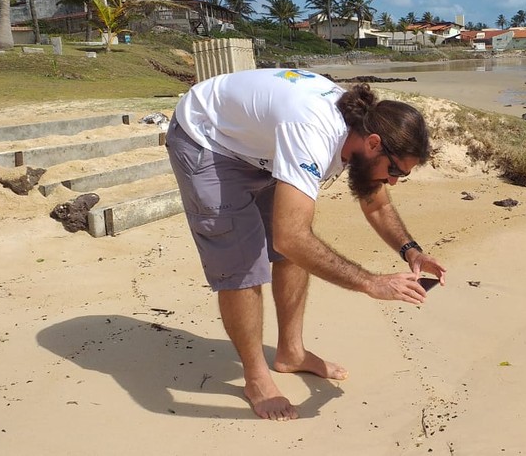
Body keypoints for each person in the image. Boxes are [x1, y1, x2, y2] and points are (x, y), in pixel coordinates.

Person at [165, 68, 447, 421]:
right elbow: (292, 235)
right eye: (395, 171)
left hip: (259, 145)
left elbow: (377, 202)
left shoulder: (358, 134)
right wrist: (370, 283)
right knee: (243, 266)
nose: (393, 180)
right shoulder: (313, 132)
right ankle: (256, 377)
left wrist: (411, 250)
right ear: (373, 142)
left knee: (293, 252)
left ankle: (291, 352)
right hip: (207, 139)